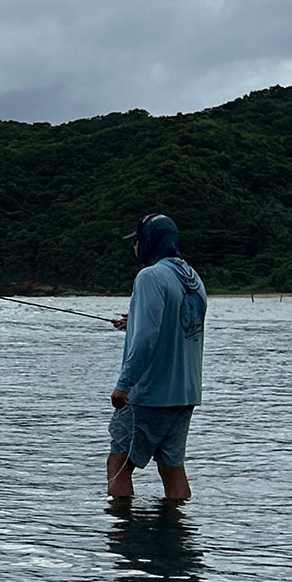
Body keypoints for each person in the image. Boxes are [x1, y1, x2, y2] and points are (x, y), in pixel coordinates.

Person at [106, 213, 207, 500]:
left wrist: (124, 385)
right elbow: (180, 322)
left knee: (119, 464)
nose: (135, 247)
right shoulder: (192, 278)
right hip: (185, 393)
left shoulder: (150, 276)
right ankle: (178, 532)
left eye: (137, 240)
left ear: (150, 241)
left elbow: (147, 337)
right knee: (172, 467)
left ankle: (122, 535)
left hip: (149, 394)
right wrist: (134, 319)